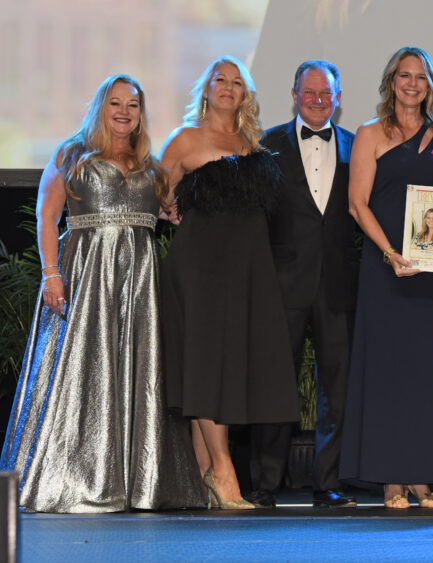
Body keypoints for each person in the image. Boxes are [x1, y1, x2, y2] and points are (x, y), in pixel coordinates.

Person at [0, 75, 204, 512]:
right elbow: (46, 216)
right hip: (85, 277)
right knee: (81, 370)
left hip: (140, 284)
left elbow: (168, 213)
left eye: (133, 104)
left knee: (140, 372)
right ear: (100, 106)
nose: (124, 112)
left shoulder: (152, 167)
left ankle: (139, 484)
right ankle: (70, 479)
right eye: (116, 103)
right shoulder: (71, 155)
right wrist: (51, 275)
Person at [160, 56, 299, 510]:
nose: (227, 86)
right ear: (206, 89)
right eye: (219, 79)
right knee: (205, 367)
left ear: (245, 94)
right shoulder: (185, 139)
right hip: (199, 267)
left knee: (224, 368)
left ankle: (203, 481)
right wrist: (169, 209)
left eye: (236, 82)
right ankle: (224, 471)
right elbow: (158, 196)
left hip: (247, 270)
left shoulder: (252, 142)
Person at [339, 46, 433, 508]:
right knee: (388, 372)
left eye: (420, 77)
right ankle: (391, 479)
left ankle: (420, 473)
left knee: (430, 372)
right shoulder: (370, 134)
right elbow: (357, 204)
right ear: (391, 82)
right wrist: (390, 254)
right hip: (385, 271)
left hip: (431, 272)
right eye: (404, 76)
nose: (412, 84)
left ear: (430, 85)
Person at [253, 60, 358, 509]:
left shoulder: (356, 145)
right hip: (283, 284)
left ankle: (327, 483)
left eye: (326, 93)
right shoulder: (267, 144)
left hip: (338, 284)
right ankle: (265, 484)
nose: (318, 100)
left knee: (337, 389)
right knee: (275, 384)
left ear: (338, 98)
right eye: (309, 92)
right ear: (294, 95)